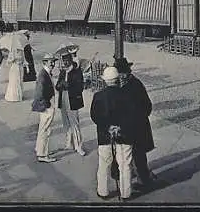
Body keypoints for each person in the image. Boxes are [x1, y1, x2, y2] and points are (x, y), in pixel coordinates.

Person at [90, 66, 133, 201]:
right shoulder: (127, 94)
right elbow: (132, 115)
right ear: (117, 79)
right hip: (124, 134)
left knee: (104, 164)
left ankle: (103, 191)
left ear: (105, 81)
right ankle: (126, 193)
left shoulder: (98, 96)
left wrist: (108, 127)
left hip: (105, 135)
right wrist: (119, 127)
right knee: (125, 164)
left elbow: (94, 116)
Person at [114, 57, 156, 188]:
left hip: (137, 127)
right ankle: (124, 176)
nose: (120, 76)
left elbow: (147, 106)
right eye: (118, 73)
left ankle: (143, 179)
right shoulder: (116, 85)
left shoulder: (136, 85)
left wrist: (137, 118)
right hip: (123, 127)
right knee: (123, 155)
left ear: (128, 72)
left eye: (122, 73)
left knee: (139, 155)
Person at [56, 52, 86, 156]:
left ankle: (78, 146)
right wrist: (60, 85)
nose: (65, 62)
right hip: (63, 98)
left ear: (71, 60)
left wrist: (69, 85)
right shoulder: (62, 72)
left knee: (75, 123)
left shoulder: (77, 72)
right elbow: (57, 86)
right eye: (63, 60)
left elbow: (80, 87)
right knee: (66, 123)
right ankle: (69, 143)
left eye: (67, 60)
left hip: (73, 99)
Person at [32, 53, 59, 163]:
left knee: (42, 129)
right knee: (46, 130)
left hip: (47, 104)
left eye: (53, 61)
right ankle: (43, 154)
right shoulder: (43, 75)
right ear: (44, 63)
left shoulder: (46, 73)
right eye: (50, 61)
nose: (52, 63)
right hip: (46, 106)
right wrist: (46, 104)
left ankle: (40, 149)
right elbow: (39, 93)